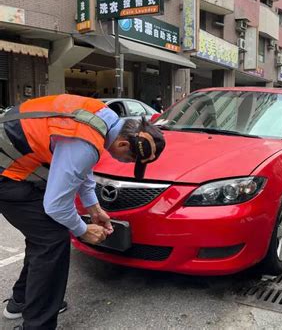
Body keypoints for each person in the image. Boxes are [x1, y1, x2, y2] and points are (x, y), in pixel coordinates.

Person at [0, 94, 165, 329]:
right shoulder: (85, 143)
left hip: (17, 169)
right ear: (123, 144)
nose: (126, 164)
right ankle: (38, 324)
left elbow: (81, 167)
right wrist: (82, 230)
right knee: (52, 239)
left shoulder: (103, 118)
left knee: (44, 235)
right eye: (129, 160)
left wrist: (93, 207)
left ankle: (22, 301)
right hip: (7, 176)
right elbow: (56, 204)